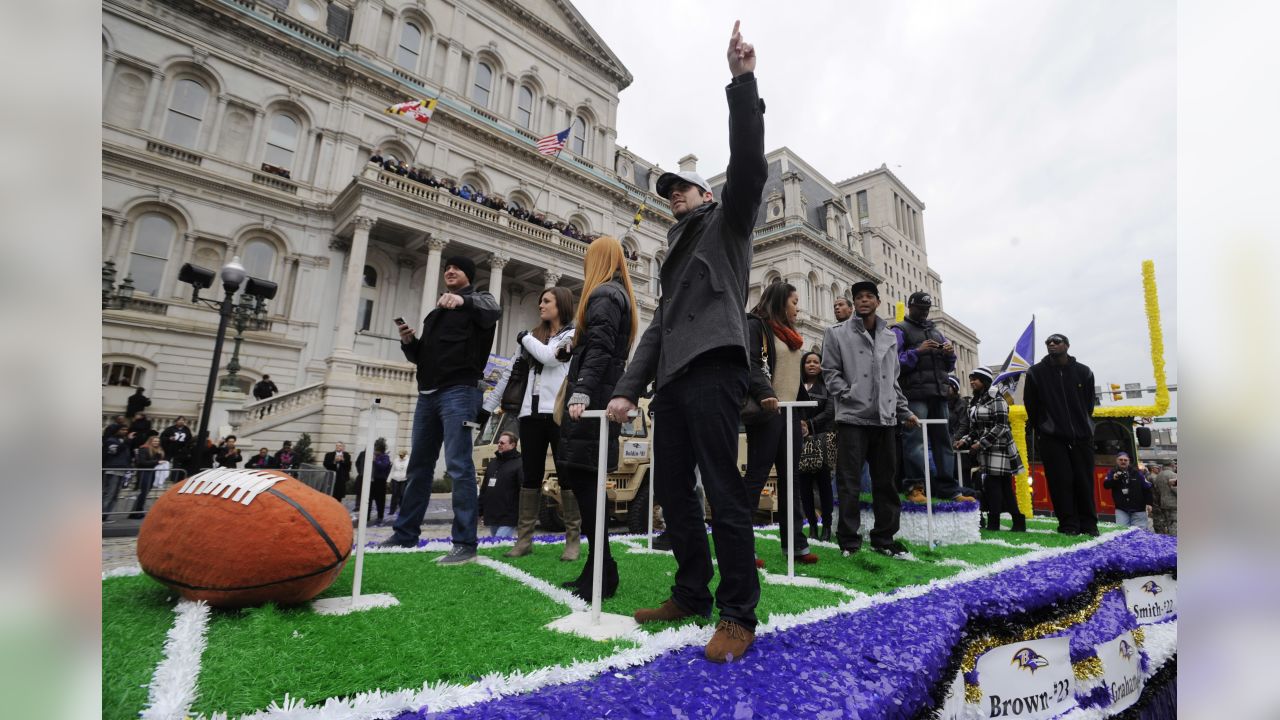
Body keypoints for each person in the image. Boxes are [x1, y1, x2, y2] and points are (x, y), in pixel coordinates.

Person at [608, 20, 767, 664]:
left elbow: (751, 165)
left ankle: (738, 613)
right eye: (667, 191)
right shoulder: (671, 252)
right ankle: (691, 593)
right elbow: (656, 332)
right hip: (671, 381)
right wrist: (624, 392)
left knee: (721, 491)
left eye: (682, 188)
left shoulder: (727, 225)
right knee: (672, 492)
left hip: (714, 370)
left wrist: (742, 82)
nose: (674, 195)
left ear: (706, 193)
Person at [381, 255, 500, 565]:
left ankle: (464, 543)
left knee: (459, 467)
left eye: (456, 268)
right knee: (419, 466)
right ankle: (405, 533)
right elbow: (424, 357)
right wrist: (410, 342)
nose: (449, 271)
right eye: (447, 268)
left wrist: (461, 300)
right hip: (427, 393)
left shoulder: (478, 301)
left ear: (467, 276)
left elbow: (493, 310)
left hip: (459, 391)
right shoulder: (436, 313)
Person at [558, 236, 638, 601]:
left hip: (593, 400)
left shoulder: (604, 294)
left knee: (584, 480)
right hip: (600, 395)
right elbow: (601, 345)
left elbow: (603, 347)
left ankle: (603, 569)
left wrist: (582, 389)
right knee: (585, 480)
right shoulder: (615, 294)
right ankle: (598, 568)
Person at [821, 280, 921, 557]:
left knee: (886, 483)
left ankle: (884, 539)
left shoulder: (890, 337)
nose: (864, 301)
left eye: (869, 296)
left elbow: (894, 381)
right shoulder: (836, 333)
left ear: (877, 301)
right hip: (853, 417)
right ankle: (849, 542)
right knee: (849, 482)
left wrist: (904, 411)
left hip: (885, 419)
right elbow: (829, 372)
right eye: (859, 297)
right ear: (854, 304)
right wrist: (847, 393)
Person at [485, 285, 581, 560]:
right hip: (530, 413)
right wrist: (489, 408)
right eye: (540, 301)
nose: (540, 305)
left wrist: (525, 338)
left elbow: (551, 358)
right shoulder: (533, 336)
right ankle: (524, 539)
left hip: (558, 412)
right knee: (530, 475)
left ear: (560, 305)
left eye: (546, 301)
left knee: (565, 472)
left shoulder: (571, 335)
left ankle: (572, 540)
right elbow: (509, 373)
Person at [742, 282, 819, 566]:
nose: (798, 307)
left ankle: (796, 545)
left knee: (792, 480)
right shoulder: (756, 326)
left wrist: (802, 417)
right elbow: (750, 364)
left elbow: (793, 379)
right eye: (794, 301)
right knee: (757, 477)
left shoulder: (793, 336)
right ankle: (742, 546)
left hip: (790, 414)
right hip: (766, 414)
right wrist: (766, 394)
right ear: (780, 302)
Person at [892, 291, 971, 504]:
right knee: (915, 441)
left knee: (943, 441)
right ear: (910, 307)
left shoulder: (936, 333)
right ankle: (914, 487)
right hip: (914, 395)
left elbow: (949, 366)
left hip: (939, 394)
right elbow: (893, 363)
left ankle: (948, 488)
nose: (925, 313)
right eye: (920, 309)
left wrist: (949, 354)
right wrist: (917, 351)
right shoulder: (900, 330)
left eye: (927, 309)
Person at [1024, 333, 1099, 536]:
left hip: (1082, 436)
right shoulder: (1036, 373)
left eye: (1056, 342)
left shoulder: (1084, 372)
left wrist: (1082, 423)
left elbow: (1089, 403)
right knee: (1060, 481)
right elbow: (1032, 405)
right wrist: (1044, 426)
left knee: (1084, 480)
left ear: (1067, 345)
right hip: (1052, 437)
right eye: (1048, 342)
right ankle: (1068, 525)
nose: (1052, 345)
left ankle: (1089, 525)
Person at [953, 368, 1026, 532]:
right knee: (1004, 487)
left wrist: (980, 443)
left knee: (993, 485)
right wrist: (963, 441)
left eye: (975, 379)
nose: (972, 382)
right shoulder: (976, 401)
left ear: (984, 381)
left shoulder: (997, 398)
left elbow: (1002, 425)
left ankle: (995, 522)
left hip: (1000, 447)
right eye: (971, 379)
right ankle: (1018, 521)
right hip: (987, 449)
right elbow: (974, 430)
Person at [798, 350, 835, 541]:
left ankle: (827, 527)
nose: (812, 364)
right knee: (803, 486)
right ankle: (811, 525)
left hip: (821, 438)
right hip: (800, 440)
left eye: (816, 362)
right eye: (808, 362)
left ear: (821, 366)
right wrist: (800, 425)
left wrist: (809, 425)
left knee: (824, 484)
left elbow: (830, 411)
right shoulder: (796, 386)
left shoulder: (827, 386)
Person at [479, 431, 523, 537]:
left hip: (508, 515)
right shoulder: (493, 463)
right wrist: (479, 510)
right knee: (496, 545)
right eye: (498, 442)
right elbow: (484, 489)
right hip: (492, 514)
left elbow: (523, 490)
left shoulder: (520, 463)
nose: (499, 444)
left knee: (498, 542)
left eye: (502, 443)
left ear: (513, 445)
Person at [1103, 452, 1152, 529]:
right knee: (1122, 532)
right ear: (1116, 461)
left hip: (1138, 509)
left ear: (1129, 461)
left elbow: (1147, 488)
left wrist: (1149, 503)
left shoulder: (1137, 473)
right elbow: (1106, 486)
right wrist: (1114, 479)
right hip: (1121, 509)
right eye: (1121, 460)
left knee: (1139, 533)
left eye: (1125, 460)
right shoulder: (1112, 472)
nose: (1123, 461)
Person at [355, 438, 393, 524]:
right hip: (369, 481)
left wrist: (375, 460)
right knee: (367, 500)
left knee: (380, 500)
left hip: (380, 481)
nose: (375, 451)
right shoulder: (366, 455)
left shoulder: (385, 457)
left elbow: (383, 467)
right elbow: (359, 464)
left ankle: (380, 516)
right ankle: (366, 516)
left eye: (377, 450)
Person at [102, 426, 133, 519]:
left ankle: (105, 516)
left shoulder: (123, 441)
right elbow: (115, 451)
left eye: (126, 430)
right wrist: (127, 441)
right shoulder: (111, 440)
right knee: (109, 493)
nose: (125, 431)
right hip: (113, 470)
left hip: (122, 470)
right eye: (122, 429)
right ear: (116, 430)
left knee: (115, 495)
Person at [130, 436, 164, 519]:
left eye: (158, 441)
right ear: (150, 441)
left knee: (145, 492)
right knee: (143, 492)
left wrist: (159, 456)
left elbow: (155, 462)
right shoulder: (144, 449)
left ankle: (137, 511)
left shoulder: (157, 450)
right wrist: (157, 461)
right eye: (154, 441)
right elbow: (142, 462)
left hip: (151, 472)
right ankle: (136, 512)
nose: (156, 443)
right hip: (144, 472)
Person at [1151, 462, 1177, 535]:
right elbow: (1176, 489)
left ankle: (1170, 539)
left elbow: (1157, 490)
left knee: (1169, 523)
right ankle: (1175, 541)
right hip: (1174, 504)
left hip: (1163, 503)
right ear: (1172, 465)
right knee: (1175, 524)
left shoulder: (1158, 476)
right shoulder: (1173, 475)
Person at [389, 448, 409, 516]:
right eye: (400, 455)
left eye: (402, 455)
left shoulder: (408, 461)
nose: (401, 456)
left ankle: (402, 510)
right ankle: (392, 510)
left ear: (405, 455)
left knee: (402, 494)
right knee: (394, 494)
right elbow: (392, 470)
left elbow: (410, 470)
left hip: (404, 479)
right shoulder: (395, 460)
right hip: (395, 478)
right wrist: (388, 480)